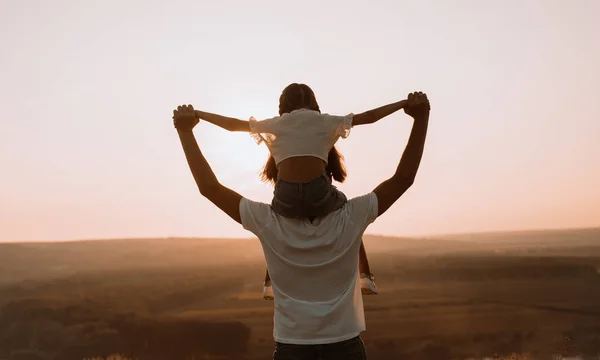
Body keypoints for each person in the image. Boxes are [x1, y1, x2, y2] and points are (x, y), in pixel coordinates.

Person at [173, 91, 430, 360]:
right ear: (327, 164)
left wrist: (185, 130)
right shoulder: (352, 215)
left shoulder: (267, 221)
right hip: (345, 347)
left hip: (292, 348)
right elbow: (403, 178)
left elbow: (209, 188)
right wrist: (420, 117)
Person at [192, 83, 410, 298]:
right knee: (346, 208)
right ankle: (365, 276)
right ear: (314, 103)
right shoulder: (325, 122)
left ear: (283, 106)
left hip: (285, 197)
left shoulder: (276, 125)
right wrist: (402, 104)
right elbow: (370, 116)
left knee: (274, 226)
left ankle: (269, 281)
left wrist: (199, 114)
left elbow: (232, 125)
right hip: (318, 193)